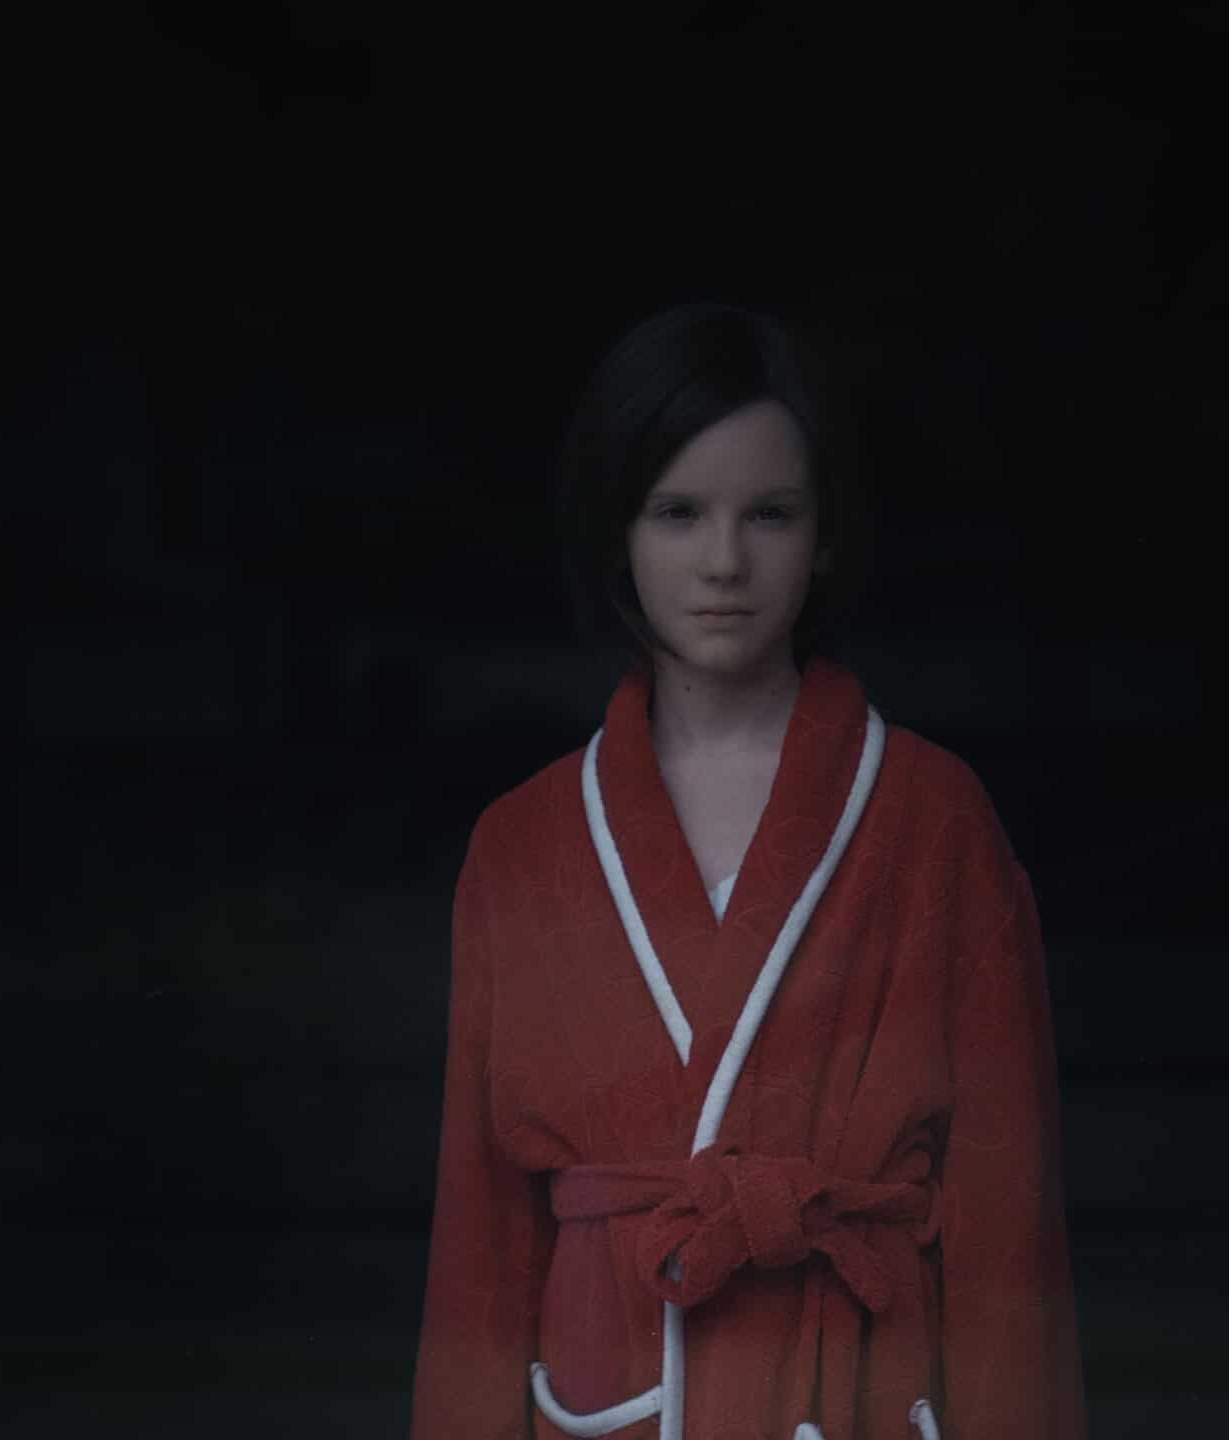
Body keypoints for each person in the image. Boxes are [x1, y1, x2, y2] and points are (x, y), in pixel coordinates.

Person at [410, 302, 1086, 1440]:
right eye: (678, 513)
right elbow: (480, 1242)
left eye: (768, 514)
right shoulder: (522, 845)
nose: (724, 562)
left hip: (858, 1389)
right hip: (612, 1396)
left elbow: (1007, 1233)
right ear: (617, 530)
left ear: (823, 536)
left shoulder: (934, 820)